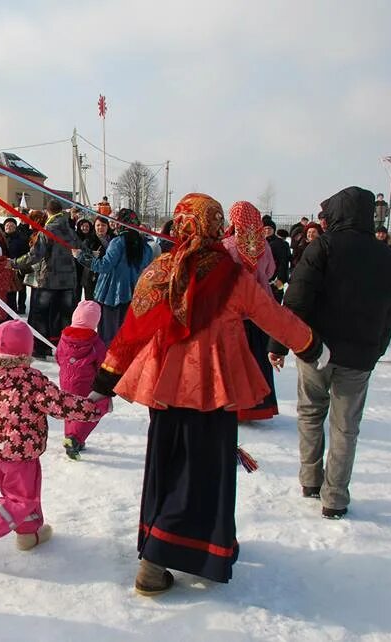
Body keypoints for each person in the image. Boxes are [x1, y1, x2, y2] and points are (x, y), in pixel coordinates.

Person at [90, 193, 325, 595]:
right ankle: (163, 556)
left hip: (164, 390)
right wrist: (311, 345)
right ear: (217, 227)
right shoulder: (233, 275)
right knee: (202, 472)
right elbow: (273, 315)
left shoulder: (160, 269)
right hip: (212, 391)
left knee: (169, 465)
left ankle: (162, 546)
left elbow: (131, 331)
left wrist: (104, 380)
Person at [269, 186, 391, 520]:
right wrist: (377, 348)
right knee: (346, 426)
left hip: (315, 349)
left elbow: (296, 300)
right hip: (359, 356)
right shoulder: (385, 255)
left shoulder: (322, 246)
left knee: (311, 413)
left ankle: (311, 479)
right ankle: (335, 496)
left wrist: (279, 344)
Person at [0, 320, 109, 564]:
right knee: (21, 499)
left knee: (16, 494)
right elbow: (61, 405)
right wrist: (95, 408)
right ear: (26, 351)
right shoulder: (31, 381)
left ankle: (29, 533)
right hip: (21, 451)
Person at [222, 201, 280, 422]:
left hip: (234, 312)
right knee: (257, 358)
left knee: (235, 361)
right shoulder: (264, 246)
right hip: (259, 312)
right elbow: (271, 271)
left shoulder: (228, 246)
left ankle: (237, 407)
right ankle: (259, 405)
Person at [13, 200, 82, 359]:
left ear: (48, 212)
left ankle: (40, 348)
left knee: (41, 314)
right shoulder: (71, 231)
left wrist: (15, 263)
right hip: (68, 280)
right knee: (65, 316)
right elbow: (80, 249)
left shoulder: (47, 230)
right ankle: (64, 348)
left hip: (49, 279)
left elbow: (35, 255)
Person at [74, 208, 153, 345]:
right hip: (135, 294)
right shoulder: (146, 247)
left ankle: (107, 362)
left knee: (109, 334)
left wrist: (81, 256)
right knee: (127, 333)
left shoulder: (118, 242)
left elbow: (104, 266)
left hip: (112, 295)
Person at [56, 300, 107, 460]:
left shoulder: (64, 337)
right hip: (87, 385)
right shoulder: (95, 342)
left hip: (65, 381)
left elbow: (58, 357)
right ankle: (75, 438)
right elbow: (102, 364)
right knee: (94, 410)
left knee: (70, 410)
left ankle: (72, 437)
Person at [2, 218, 30, 313]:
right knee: (10, 289)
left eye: (11, 225)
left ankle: (22, 307)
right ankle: (11, 307)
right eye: (7, 226)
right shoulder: (1, 238)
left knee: (21, 288)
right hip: (6, 267)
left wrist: (19, 264)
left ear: (15, 227)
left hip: (19, 267)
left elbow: (26, 253)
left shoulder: (21, 239)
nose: (8, 227)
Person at [262, 215, 291, 302]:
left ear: (274, 230)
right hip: (262, 279)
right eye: (265, 228)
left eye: (269, 229)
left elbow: (283, 262)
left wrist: (281, 279)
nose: (267, 231)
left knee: (275, 303)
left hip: (275, 280)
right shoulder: (259, 243)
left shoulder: (279, 243)